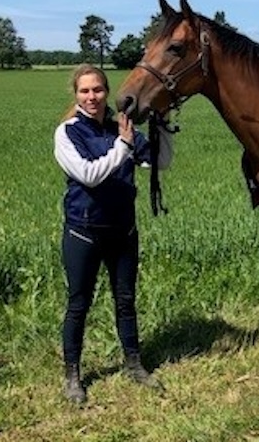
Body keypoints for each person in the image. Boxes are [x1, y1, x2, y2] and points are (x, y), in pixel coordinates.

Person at [53, 63, 173, 405]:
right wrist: (123, 145)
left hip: (123, 231)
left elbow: (160, 162)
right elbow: (89, 175)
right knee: (79, 305)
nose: (92, 97)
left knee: (126, 301)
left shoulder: (121, 126)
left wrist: (162, 127)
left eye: (98, 90)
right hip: (84, 233)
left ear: (107, 91)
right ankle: (73, 375)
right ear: (76, 94)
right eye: (85, 91)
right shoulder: (68, 132)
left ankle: (134, 364)